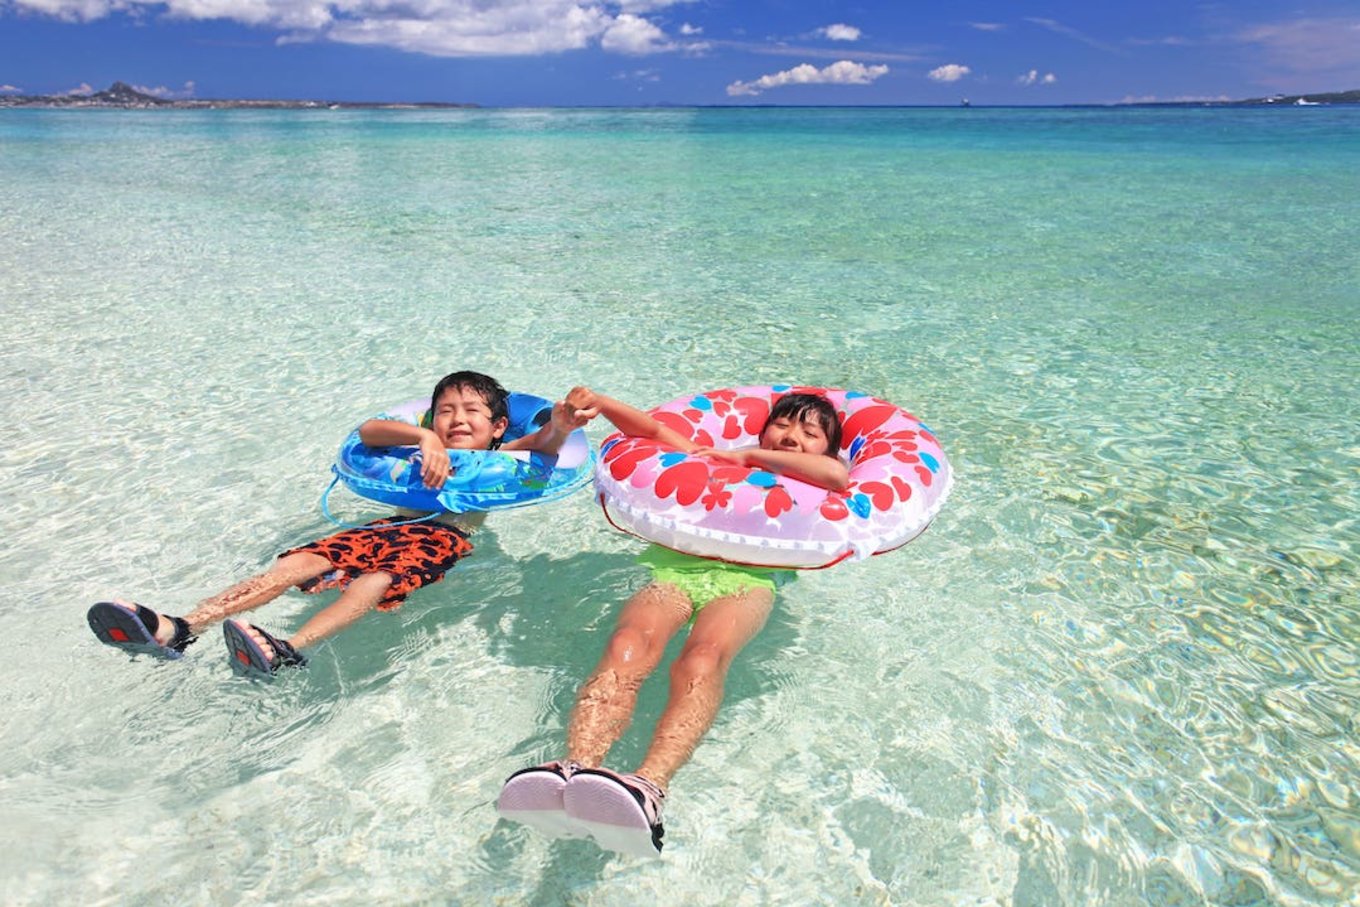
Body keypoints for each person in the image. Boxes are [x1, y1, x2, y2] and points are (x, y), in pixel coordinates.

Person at [497, 388, 848, 856]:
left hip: (750, 580)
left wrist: (751, 455)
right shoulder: (718, 460)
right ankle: (575, 767)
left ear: (826, 447)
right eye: (783, 425)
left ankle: (649, 788)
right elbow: (654, 432)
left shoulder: (813, 475)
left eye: (810, 433)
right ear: (764, 428)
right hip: (677, 567)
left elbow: (837, 476)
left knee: (702, 659)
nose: (792, 437)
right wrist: (602, 402)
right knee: (627, 643)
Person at [87, 372, 594, 676]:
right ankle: (180, 629)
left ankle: (290, 651)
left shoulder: (504, 452)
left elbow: (549, 441)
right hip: (381, 526)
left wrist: (565, 422)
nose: (458, 419)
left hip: (444, 536)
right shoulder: (415, 444)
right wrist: (425, 442)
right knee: (291, 566)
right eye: (444, 412)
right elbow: (368, 431)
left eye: (472, 412)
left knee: (375, 582)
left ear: (498, 426)